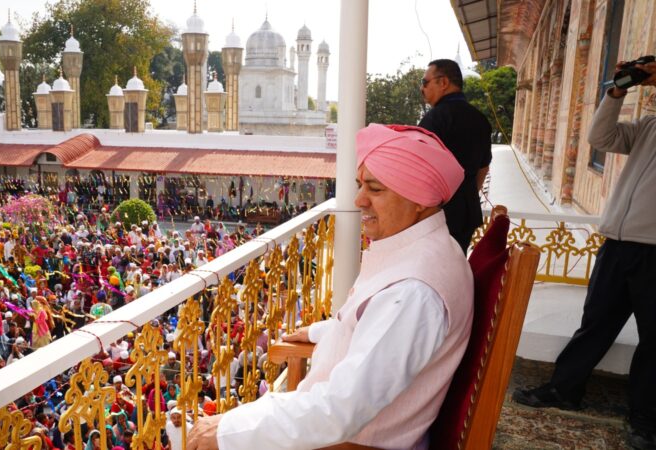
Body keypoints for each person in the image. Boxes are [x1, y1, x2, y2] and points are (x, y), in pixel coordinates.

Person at [187, 123, 472, 450]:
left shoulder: (414, 292)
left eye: (375, 189)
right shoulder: (427, 253)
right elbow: (384, 330)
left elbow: (339, 411)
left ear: (420, 197)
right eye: (360, 185)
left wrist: (228, 431)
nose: (359, 200)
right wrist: (326, 331)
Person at [513, 61, 656, 450]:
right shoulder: (647, 127)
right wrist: (617, 92)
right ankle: (564, 389)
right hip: (617, 245)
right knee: (595, 324)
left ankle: (645, 419)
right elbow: (600, 136)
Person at [418, 58, 492, 252]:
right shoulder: (480, 119)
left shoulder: (434, 120)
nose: (422, 89)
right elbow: (484, 167)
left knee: (432, 273)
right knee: (454, 268)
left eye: (425, 82)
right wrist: (465, 193)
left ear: (443, 83)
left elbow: (418, 169)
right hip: (466, 213)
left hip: (434, 216)